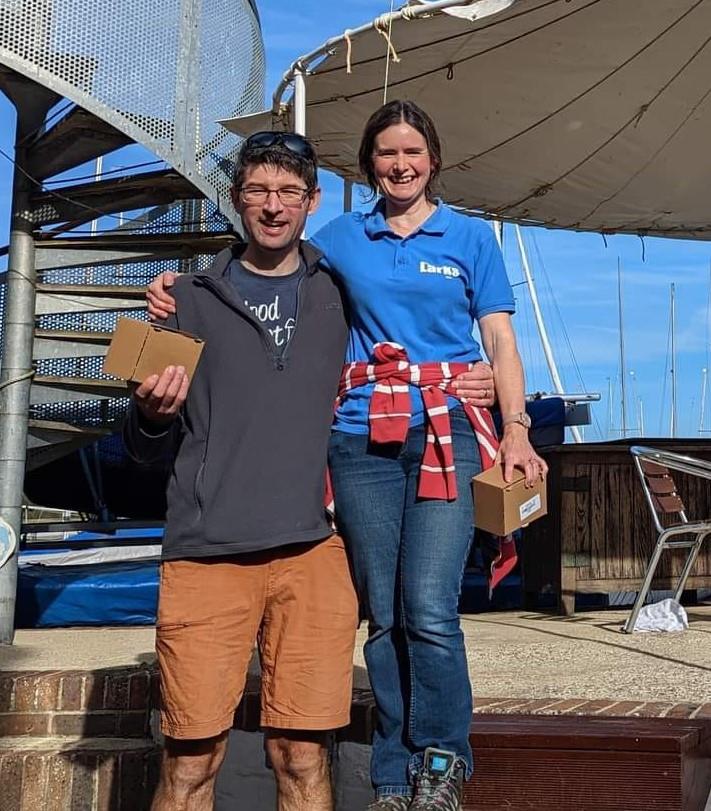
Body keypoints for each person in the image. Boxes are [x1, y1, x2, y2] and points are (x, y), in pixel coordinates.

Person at [135, 128, 496, 811]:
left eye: (288, 192)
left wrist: (474, 379)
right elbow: (138, 440)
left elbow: (420, 331)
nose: (273, 206)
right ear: (237, 199)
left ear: (312, 200)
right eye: (258, 191)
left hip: (312, 554)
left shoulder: (340, 287)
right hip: (206, 552)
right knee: (189, 761)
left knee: (302, 757)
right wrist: (152, 413)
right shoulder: (181, 295)